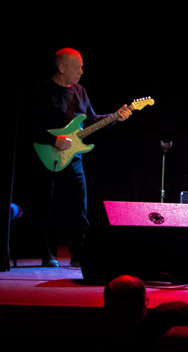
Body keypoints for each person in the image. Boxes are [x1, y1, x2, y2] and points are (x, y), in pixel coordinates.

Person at [31, 48, 131, 267]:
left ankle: (79, 255)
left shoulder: (80, 91)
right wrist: (53, 140)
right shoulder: (43, 92)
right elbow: (31, 127)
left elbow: (91, 119)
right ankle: (48, 253)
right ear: (61, 68)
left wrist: (115, 117)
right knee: (50, 207)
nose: (82, 71)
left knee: (79, 206)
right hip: (49, 156)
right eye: (77, 67)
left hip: (74, 158)